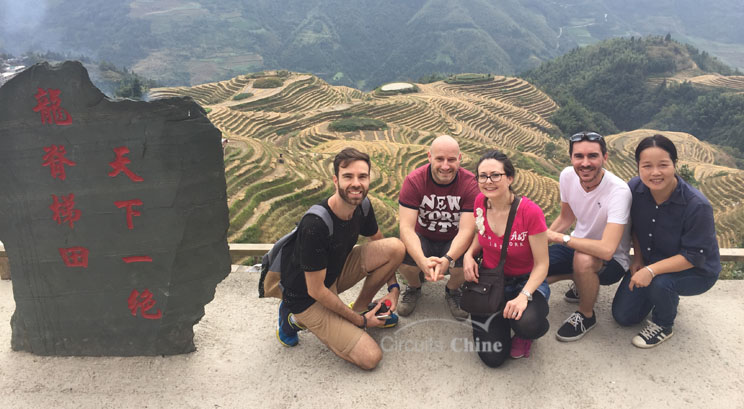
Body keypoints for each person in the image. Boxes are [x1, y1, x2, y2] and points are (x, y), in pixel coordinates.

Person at [274, 147, 406, 370]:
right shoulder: (314, 225)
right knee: (370, 357)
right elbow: (316, 291)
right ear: (336, 180)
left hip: (333, 273)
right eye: (348, 176)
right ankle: (293, 321)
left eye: (362, 176)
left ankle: (361, 307)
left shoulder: (362, 205)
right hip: (306, 295)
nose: (356, 183)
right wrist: (362, 323)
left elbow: (377, 240)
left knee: (396, 247)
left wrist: (393, 288)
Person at [612, 134, 720, 348]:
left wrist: (651, 271)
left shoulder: (696, 206)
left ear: (674, 164)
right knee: (623, 317)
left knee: (662, 283)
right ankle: (661, 295)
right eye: (647, 166)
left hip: (695, 271)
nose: (655, 173)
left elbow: (693, 256)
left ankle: (663, 323)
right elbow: (634, 227)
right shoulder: (634, 189)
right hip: (652, 261)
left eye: (663, 165)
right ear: (638, 167)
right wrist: (638, 260)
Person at [462, 150, 550, 367]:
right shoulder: (480, 202)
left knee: (528, 323)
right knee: (493, 358)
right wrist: (468, 255)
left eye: (495, 175)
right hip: (490, 282)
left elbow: (542, 264)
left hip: (525, 281)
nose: (488, 181)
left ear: (510, 178)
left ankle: (524, 334)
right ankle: (501, 318)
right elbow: (480, 234)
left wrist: (524, 295)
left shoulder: (530, 213)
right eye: (482, 176)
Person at [546, 131, 632, 341]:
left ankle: (586, 315)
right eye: (579, 156)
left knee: (583, 260)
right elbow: (566, 218)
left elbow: (607, 249)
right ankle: (583, 284)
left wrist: (560, 238)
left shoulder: (618, 191)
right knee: (535, 269)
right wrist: (538, 245)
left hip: (611, 261)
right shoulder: (567, 176)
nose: (585, 163)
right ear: (571, 158)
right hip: (576, 245)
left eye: (592, 156)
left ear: (605, 157)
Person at [397, 135, 480, 320]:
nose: (445, 166)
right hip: (422, 237)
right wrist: (420, 260)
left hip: (453, 238)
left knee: (464, 265)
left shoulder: (470, 184)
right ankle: (414, 287)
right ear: (429, 157)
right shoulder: (414, 181)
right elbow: (406, 228)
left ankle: (452, 290)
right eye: (439, 159)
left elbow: (467, 230)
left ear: (459, 159)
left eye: (451, 159)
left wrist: (448, 259)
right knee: (401, 257)